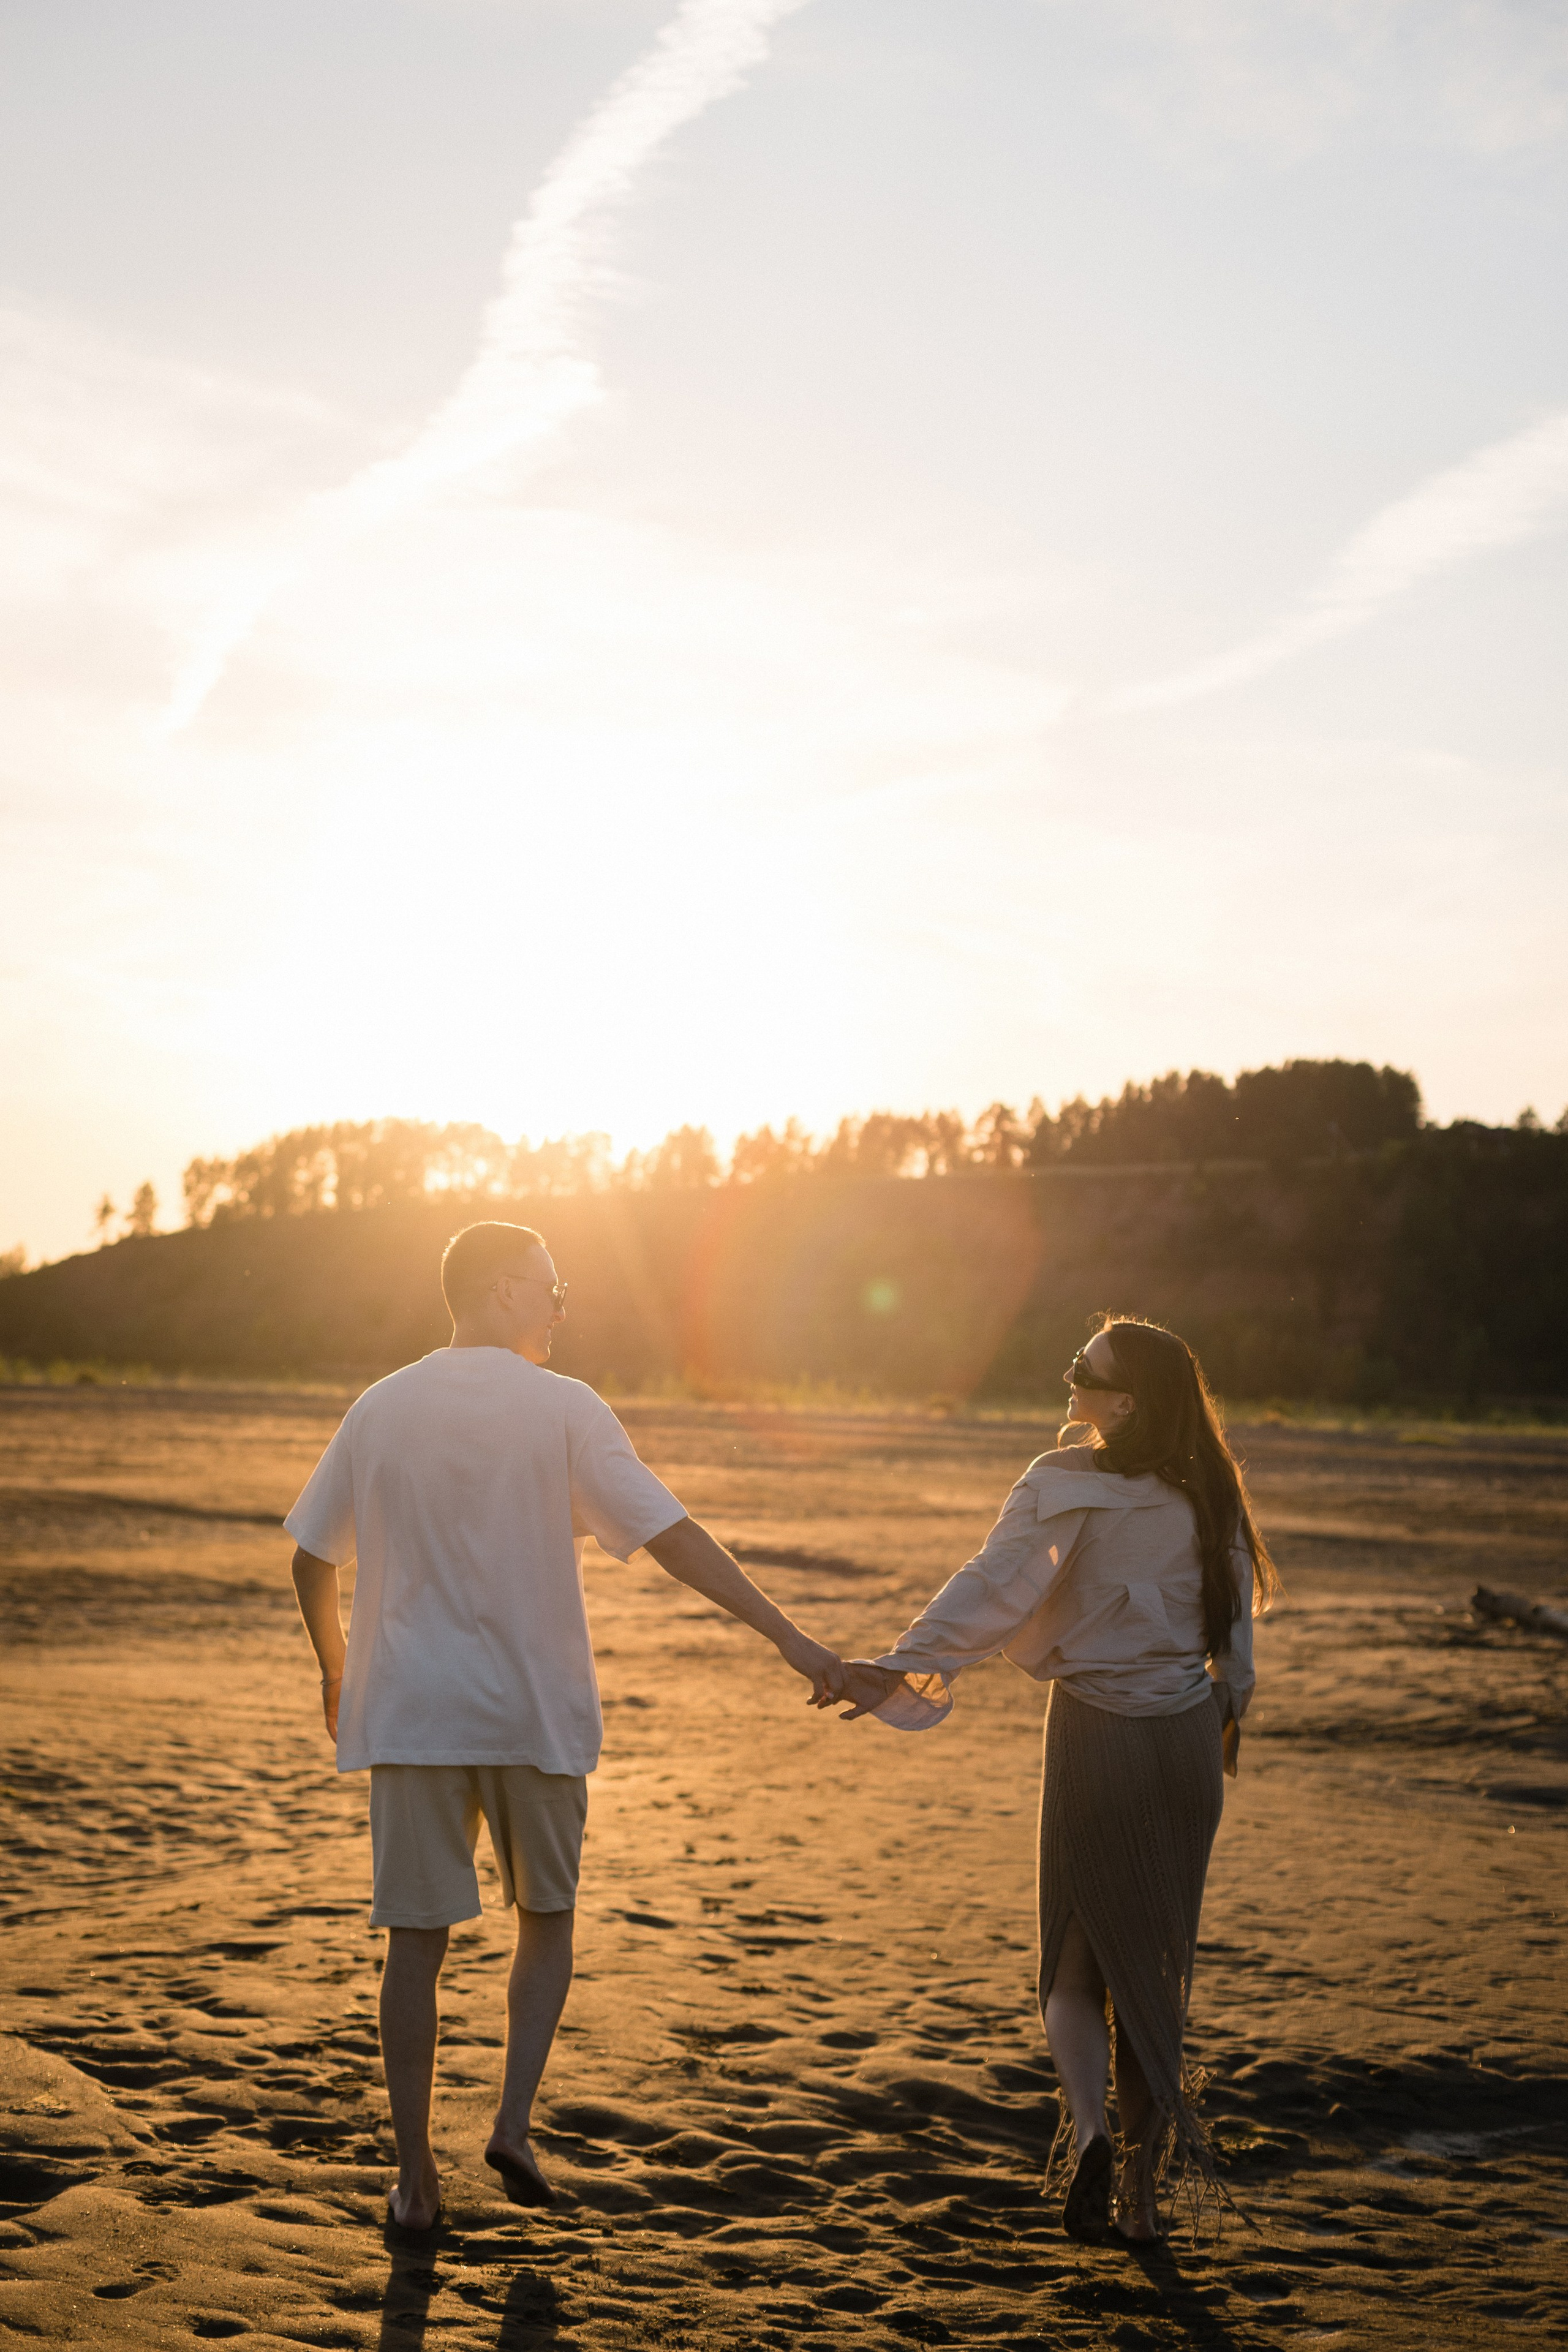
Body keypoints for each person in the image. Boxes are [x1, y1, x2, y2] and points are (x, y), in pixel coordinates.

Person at [285, 1220, 845, 2237]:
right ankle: (511, 2123)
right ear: (505, 1291)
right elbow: (673, 1536)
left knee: (416, 1944)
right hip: (532, 1713)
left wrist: (337, 1669)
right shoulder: (563, 1409)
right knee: (546, 1918)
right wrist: (793, 1641)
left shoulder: (380, 1407)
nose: (560, 1308)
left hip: (412, 1714)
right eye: (552, 1288)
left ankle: (416, 2181)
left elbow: (310, 1555)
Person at [828, 1317, 1276, 2243]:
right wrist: (1222, 1726)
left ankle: (1090, 2133)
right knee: (1155, 1970)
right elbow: (1237, 1652)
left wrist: (903, 1663)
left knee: (1071, 1964)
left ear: (1126, 1403)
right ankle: (1143, 2203)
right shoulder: (1213, 1493)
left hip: (1099, 1734)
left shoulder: (1065, 1481)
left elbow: (993, 1584)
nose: (1069, 1382)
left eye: (1087, 1373)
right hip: (1187, 1742)